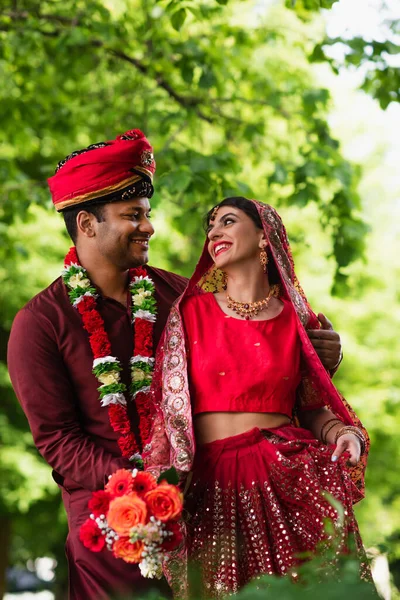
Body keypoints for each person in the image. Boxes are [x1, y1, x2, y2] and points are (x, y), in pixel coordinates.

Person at [7, 131, 341, 600]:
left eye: (147, 214)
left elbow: (256, 357)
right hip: (113, 524)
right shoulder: (40, 322)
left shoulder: (184, 299)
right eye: (132, 216)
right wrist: (144, 483)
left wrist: (319, 354)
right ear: (86, 224)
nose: (148, 227)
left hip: (206, 510)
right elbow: (59, 442)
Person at [144, 197, 370, 598]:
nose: (214, 232)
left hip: (288, 479)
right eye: (210, 226)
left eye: (227, 222)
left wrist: (343, 435)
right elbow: (166, 414)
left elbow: (313, 409)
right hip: (212, 489)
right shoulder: (189, 312)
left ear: (265, 237)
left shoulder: (299, 320)